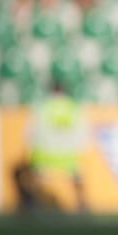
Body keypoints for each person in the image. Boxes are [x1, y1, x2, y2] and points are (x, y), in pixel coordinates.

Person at [27, 81, 89, 213]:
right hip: (68, 153)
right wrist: (81, 147)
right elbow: (82, 130)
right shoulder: (72, 107)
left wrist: (31, 146)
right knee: (76, 177)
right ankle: (82, 203)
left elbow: (33, 130)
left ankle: (31, 204)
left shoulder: (43, 107)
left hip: (45, 152)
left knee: (37, 177)